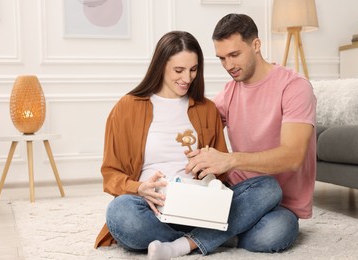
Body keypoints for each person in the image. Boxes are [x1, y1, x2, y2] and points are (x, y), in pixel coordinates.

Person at [148, 13, 316, 259]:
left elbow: (292, 157)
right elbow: (197, 126)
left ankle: (191, 241)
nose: (228, 65)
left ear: (256, 45)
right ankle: (226, 231)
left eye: (234, 55)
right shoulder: (229, 92)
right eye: (222, 58)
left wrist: (230, 160)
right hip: (238, 195)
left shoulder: (295, 88)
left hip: (278, 202)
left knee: (275, 231)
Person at [94, 30, 229, 254]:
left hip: (197, 209)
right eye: (179, 70)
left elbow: (222, 170)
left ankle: (182, 244)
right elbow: (111, 174)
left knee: (266, 188)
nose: (187, 78)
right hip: (150, 210)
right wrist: (139, 188)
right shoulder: (127, 107)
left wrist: (210, 174)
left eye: (193, 70)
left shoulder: (206, 109)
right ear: (160, 65)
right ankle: (210, 238)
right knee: (119, 212)